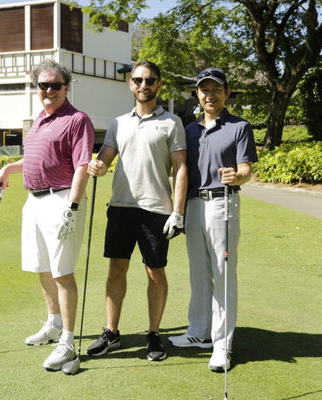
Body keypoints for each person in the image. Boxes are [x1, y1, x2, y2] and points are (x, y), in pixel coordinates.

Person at [0, 59, 94, 372]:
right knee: (43, 268)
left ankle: (67, 340)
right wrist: (10, 167)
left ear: (67, 87)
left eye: (55, 85)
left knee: (62, 273)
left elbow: (81, 165)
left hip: (61, 199)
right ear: (37, 88)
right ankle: (52, 324)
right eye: (43, 85)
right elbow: (39, 157)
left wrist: (73, 207)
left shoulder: (78, 120)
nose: (48, 90)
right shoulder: (39, 119)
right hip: (33, 201)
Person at [86, 60, 187, 361]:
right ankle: (111, 332)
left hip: (156, 210)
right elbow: (105, 157)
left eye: (150, 80)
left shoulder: (171, 122)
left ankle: (154, 334)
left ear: (159, 84)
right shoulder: (119, 123)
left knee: (155, 271)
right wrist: (98, 165)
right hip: (120, 207)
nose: (144, 85)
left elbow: (180, 169)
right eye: (138, 80)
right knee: (116, 268)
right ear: (131, 84)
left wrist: (178, 212)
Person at [168, 67, 258, 372]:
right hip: (194, 206)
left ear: (227, 92)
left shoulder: (239, 126)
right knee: (199, 273)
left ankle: (222, 344)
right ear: (197, 94)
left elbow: (246, 169)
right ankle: (199, 333)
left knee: (223, 275)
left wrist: (237, 175)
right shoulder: (189, 130)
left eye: (216, 89)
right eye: (204, 89)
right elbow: (179, 172)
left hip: (223, 204)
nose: (210, 94)